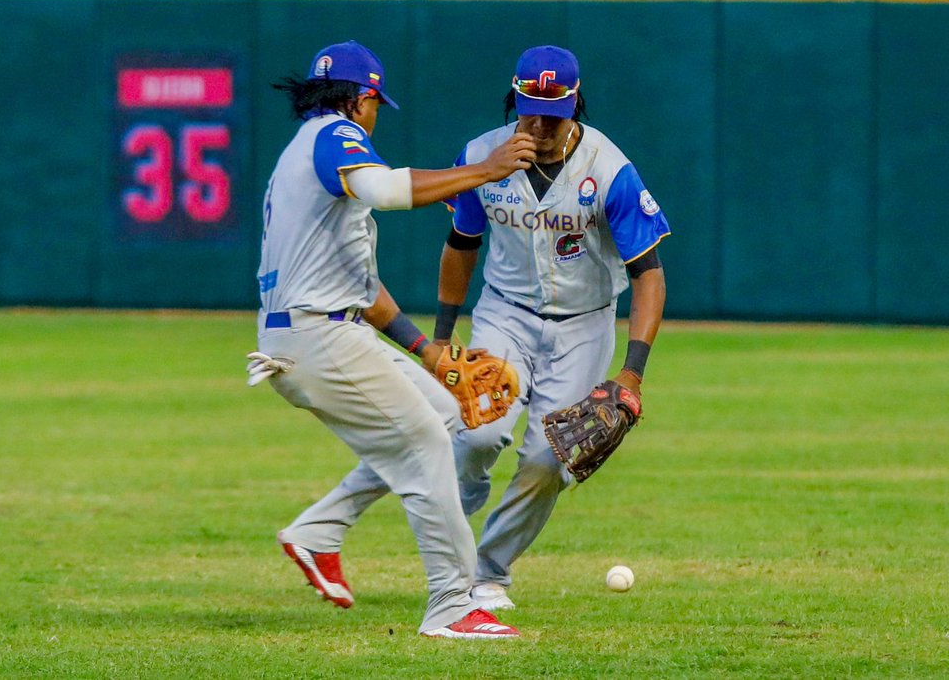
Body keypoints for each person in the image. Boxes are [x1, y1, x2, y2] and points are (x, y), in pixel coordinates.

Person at [251, 40, 535, 638]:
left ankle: (317, 532)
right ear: (364, 98)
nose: (376, 116)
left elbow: (363, 286)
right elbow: (384, 191)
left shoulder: (303, 153)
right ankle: (453, 605)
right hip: (318, 335)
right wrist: (485, 170)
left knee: (445, 413)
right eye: (377, 105)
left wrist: (427, 350)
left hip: (314, 332)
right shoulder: (335, 134)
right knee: (427, 443)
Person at [434, 45, 671, 611]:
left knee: (550, 459)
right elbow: (461, 245)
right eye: (528, 109)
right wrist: (442, 335)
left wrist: (632, 373)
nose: (538, 124)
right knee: (477, 433)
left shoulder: (608, 168)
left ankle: (489, 572)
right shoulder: (481, 155)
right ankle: (458, 521)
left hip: (585, 325)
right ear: (514, 100)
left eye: (553, 112)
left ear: (575, 106)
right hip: (504, 313)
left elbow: (649, 276)